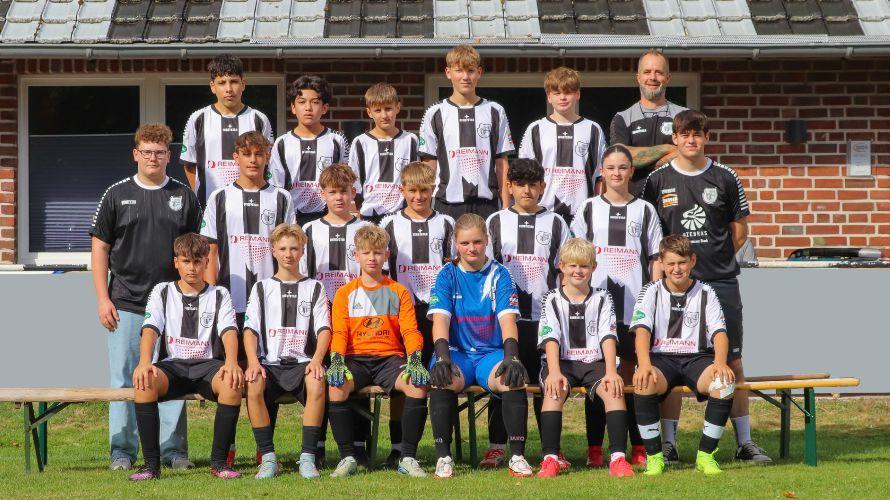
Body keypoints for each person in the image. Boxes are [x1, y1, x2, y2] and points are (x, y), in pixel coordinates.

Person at [641, 110, 770, 463]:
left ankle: (744, 443)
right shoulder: (658, 180)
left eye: (697, 133)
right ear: (675, 138)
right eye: (684, 134)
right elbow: (651, 230)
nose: (691, 140)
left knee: (733, 361)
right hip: (674, 286)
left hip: (719, 280)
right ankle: (669, 445)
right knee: (669, 357)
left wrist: (716, 259)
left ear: (706, 137)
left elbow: (739, 231)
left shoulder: (725, 176)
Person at [90, 124, 200, 471]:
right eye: (147, 152)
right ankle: (122, 452)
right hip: (125, 303)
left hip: (173, 305)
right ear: (136, 154)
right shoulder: (115, 194)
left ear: (169, 156)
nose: (153, 158)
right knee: (124, 380)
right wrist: (103, 299)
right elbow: (99, 248)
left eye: (160, 152)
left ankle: (173, 451)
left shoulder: (184, 195)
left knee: (172, 376)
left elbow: (198, 251)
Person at [570, 145, 663, 467]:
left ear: (631, 171)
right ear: (602, 171)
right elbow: (573, 256)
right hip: (595, 311)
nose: (617, 173)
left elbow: (655, 259)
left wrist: (652, 300)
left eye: (623, 167)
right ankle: (595, 448)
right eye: (611, 168)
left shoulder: (645, 210)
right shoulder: (588, 208)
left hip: (634, 311)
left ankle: (638, 446)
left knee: (634, 379)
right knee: (598, 377)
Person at [128, 233, 242, 481]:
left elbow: (229, 331)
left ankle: (219, 463)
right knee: (144, 382)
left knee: (232, 383)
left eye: (198, 261)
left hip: (207, 366)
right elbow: (150, 329)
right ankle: (151, 466)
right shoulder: (162, 291)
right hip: (173, 366)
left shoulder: (220, 294)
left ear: (207, 262)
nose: (192, 268)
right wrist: (144, 362)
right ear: (176, 262)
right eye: (186, 261)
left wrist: (232, 362)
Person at [426, 214, 531, 479]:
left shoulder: (501, 273)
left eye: (477, 242)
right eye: (464, 243)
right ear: (455, 243)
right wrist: (442, 357)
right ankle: (443, 457)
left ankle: (517, 456)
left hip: (490, 354)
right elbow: (440, 320)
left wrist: (512, 356)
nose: (471, 248)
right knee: (442, 379)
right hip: (457, 353)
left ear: (487, 240)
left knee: (512, 378)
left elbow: (508, 320)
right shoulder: (446, 274)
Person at [484, 158, 569, 469]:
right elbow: (486, 270)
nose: (527, 191)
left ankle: (551, 449)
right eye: (520, 184)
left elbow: (564, 271)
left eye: (533, 185)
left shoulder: (557, 223)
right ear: (509, 186)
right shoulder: (495, 221)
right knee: (505, 380)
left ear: (543, 187)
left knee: (544, 383)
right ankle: (497, 446)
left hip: (543, 319)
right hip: (505, 320)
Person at [326, 226, 430, 477]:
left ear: (386, 255)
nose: (372, 258)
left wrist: (415, 358)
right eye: (366, 253)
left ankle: (407, 458)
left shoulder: (399, 291)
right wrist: (337, 359)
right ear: (356, 255)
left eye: (377, 252)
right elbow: (339, 333)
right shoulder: (344, 293)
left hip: (390, 360)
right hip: (356, 360)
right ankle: (347, 457)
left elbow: (410, 331)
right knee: (336, 386)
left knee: (417, 385)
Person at [630, 234, 736, 476]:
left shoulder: (706, 292)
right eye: (670, 263)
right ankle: (655, 458)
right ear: (661, 264)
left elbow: (720, 333)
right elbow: (642, 331)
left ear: (692, 261)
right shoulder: (651, 291)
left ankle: (706, 456)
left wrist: (720, 362)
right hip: (661, 358)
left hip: (696, 358)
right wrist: (644, 364)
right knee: (644, 381)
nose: (676, 269)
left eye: (682, 262)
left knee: (724, 384)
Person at [536, 238, 634, 478]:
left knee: (613, 390)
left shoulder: (603, 297)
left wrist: (611, 371)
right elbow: (551, 337)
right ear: (561, 266)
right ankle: (550, 459)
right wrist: (554, 372)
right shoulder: (551, 298)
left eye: (584, 266)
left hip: (594, 362)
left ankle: (618, 459)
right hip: (563, 363)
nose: (578, 271)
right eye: (572, 265)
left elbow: (608, 335)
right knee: (554, 390)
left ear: (594, 267)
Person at [379, 161, 456, 467]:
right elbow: (383, 274)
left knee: (441, 378)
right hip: (403, 313)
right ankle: (398, 448)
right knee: (405, 380)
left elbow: (453, 269)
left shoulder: (446, 223)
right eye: (412, 190)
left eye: (424, 190)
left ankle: (444, 448)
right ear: (402, 190)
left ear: (433, 189)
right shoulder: (389, 224)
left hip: (439, 314)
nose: (419, 196)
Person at [243, 223, 331, 479]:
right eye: (283, 249)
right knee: (253, 383)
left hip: (303, 363)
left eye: (294, 248)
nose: (288, 254)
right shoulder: (261, 287)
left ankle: (308, 458)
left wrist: (317, 360)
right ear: (273, 251)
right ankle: (268, 458)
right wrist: (252, 361)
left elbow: (324, 329)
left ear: (302, 251)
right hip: (270, 364)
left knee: (316, 381)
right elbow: (249, 330)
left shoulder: (315, 287)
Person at [301, 163, 373, 463]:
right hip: (320, 315)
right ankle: (316, 446)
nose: (339, 197)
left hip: (358, 315)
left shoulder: (365, 230)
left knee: (355, 377)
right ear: (322, 194)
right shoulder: (309, 230)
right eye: (333, 192)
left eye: (344, 191)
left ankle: (358, 444)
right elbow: (303, 276)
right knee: (319, 378)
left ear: (353, 192)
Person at [419, 44, 514, 220]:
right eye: (459, 71)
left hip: (487, 204)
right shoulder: (435, 113)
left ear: (479, 72)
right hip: (446, 203)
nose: (465, 77)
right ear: (448, 73)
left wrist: (507, 208)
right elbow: (428, 164)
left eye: (470, 71)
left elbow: (502, 162)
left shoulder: (495, 111)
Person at [181, 54, 274, 205]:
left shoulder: (259, 119)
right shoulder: (198, 118)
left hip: (251, 203)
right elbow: (189, 164)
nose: (229, 89)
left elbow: (268, 164)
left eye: (234, 82)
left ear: (243, 84)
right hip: (209, 205)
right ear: (213, 86)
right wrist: (200, 196)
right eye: (222, 83)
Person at [517, 66, 606, 226]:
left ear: (578, 94)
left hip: (582, 215)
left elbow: (601, 176)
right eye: (557, 93)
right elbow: (524, 176)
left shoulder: (593, 129)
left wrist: (598, 209)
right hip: (543, 213)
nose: (563, 98)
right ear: (549, 97)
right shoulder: (535, 129)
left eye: (568, 92)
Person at [269, 75, 349, 226]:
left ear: (324, 108)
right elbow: (275, 186)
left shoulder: (337, 140)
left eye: (315, 102)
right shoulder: (282, 143)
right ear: (293, 107)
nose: (308, 108)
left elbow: (346, 182)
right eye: (302, 102)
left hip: (328, 217)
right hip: (291, 219)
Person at [609, 49, 686, 196]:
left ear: (668, 78)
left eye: (659, 72)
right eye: (647, 72)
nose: (653, 77)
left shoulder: (684, 116)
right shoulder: (623, 118)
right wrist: (668, 148)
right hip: (636, 201)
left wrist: (640, 161)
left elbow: (688, 156)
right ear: (638, 77)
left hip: (675, 199)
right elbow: (621, 158)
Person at [349, 83, 419, 225]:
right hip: (369, 215)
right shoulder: (360, 142)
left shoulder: (411, 140)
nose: (384, 115)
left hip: (402, 216)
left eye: (388, 109)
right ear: (369, 112)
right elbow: (354, 181)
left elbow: (417, 178)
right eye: (378, 110)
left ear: (397, 108)